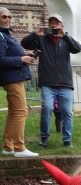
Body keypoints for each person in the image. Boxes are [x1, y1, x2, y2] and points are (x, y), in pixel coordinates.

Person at [21, 13, 81, 148]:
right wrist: (36, 34)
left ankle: (67, 140)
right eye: (51, 23)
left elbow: (78, 49)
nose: (53, 25)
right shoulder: (42, 39)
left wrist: (64, 35)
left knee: (67, 111)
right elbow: (24, 43)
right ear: (48, 25)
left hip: (65, 83)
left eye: (56, 23)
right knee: (47, 109)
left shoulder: (66, 40)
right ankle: (44, 138)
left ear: (61, 25)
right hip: (47, 83)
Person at [0, 7, 39, 158]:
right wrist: (21, 59)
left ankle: (8, 147)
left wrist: (25, 54)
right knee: (21, 111)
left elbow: (10, 53)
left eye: (9, 16)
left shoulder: (6, 34)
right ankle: (19, 148)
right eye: (4, 16)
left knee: (13, 113)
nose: (8, 19)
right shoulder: (1, 36)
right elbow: (1, 60)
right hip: (12, 79)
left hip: (15, 77)